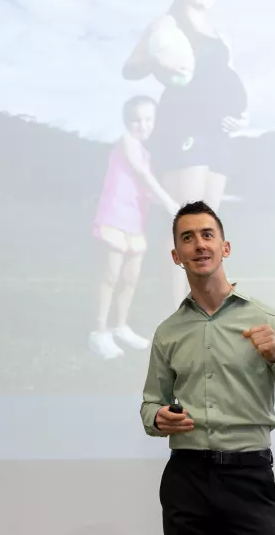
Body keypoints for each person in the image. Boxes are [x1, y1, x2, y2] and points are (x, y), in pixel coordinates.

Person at [139, 201, 275, 534]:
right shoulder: (168, 332)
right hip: (186, 479)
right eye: (187, 238)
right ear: (176, 255)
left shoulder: (267, 321)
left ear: (224, 248)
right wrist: (156, 417)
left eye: (207, 235)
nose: (199, 244)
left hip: (248, 476)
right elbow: (151, 404)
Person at [122, 0, 250, 308]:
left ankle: (204, 308)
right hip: (184, 125)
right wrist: (155, 58)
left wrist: (240, 116)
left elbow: (227, 78)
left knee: (208, 228)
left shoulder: (219, 34)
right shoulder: (167, 25)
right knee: (185, 226)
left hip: (217, 136)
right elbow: (131, 67)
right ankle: (176, 312)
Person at [90, 96, 181, 359]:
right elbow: (144, 176)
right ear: (126, 122)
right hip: (114, 218)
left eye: (148, 119)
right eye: (136, 120)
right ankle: (98, 332)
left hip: (135, 223)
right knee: (111, 276)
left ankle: (120, 327)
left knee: (130, 279)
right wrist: (169, 202)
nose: (143, 125)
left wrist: (177, 206)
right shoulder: (127, 143)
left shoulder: (145, 153)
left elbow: (144, 188)